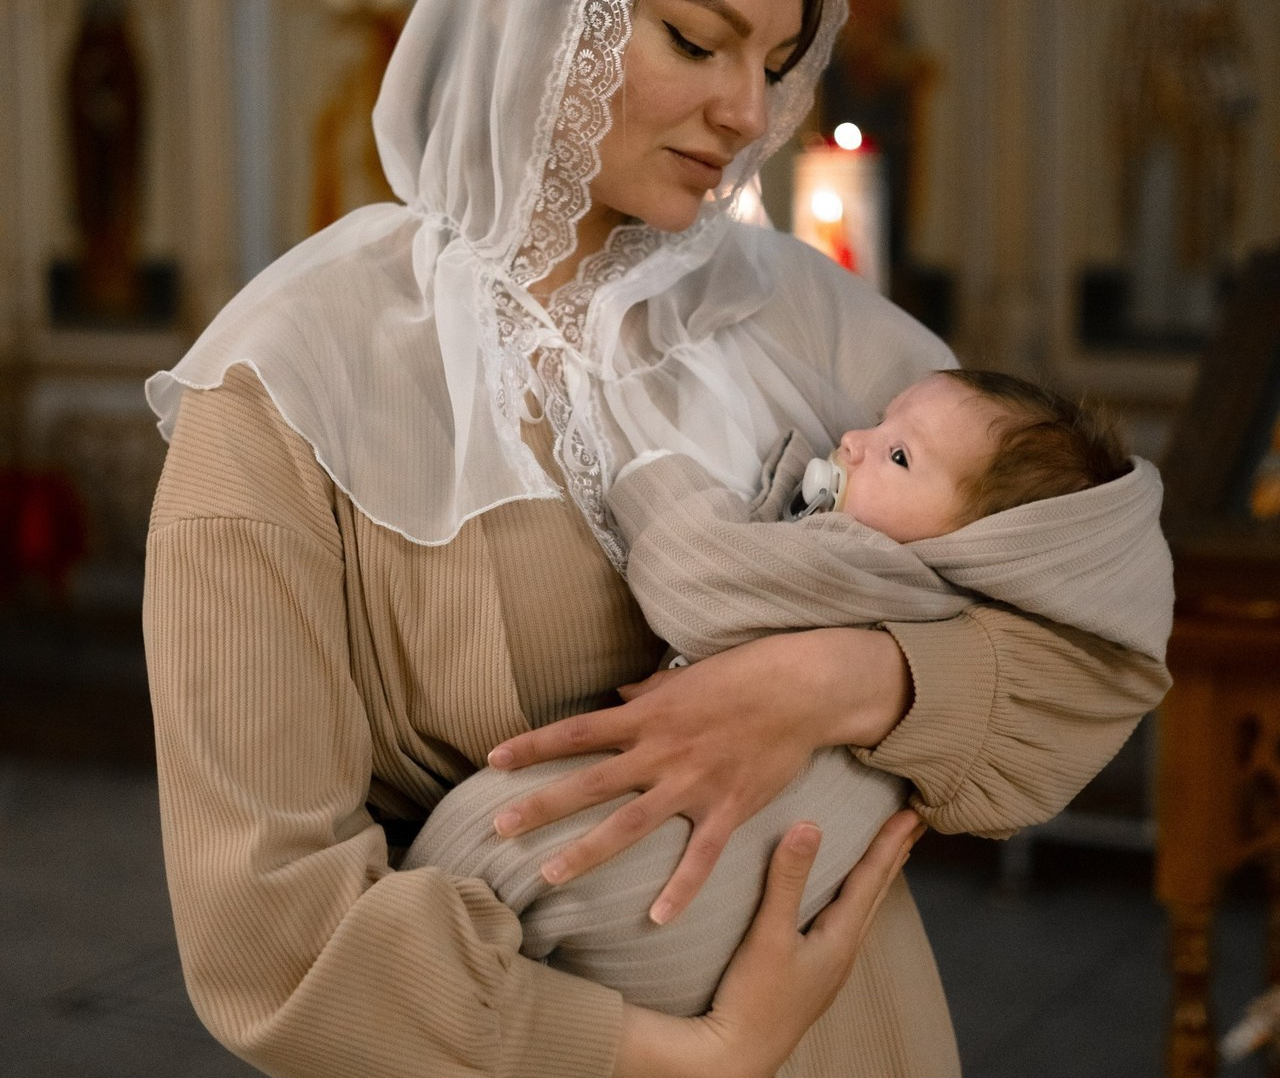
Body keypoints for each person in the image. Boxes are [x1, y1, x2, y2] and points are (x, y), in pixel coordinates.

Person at [141, 0, 1172, 1076]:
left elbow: (1105, 616)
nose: (749, 107)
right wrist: (697, 1054)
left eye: (779, 58)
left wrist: (850, 681)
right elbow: (268, 929)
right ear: (540, 2)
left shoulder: (789, 307)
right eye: (697, 39)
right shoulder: (283, 385)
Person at [405, 369, 1173, 1015]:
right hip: (744, 922)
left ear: (980, 545)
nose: (853, 442)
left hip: (676, 901)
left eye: (899, 457)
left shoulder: (871, 562)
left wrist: (656, 476)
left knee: (487, 842)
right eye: (879, 424)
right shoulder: (931, 581)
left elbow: (695, 585)